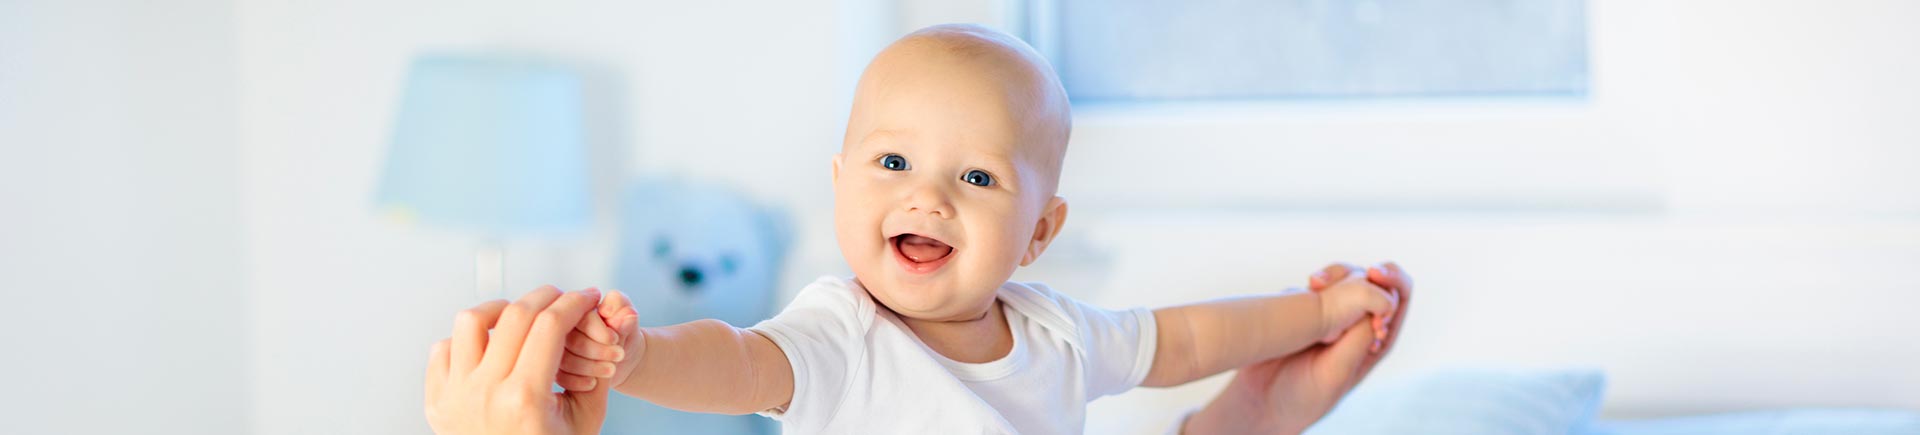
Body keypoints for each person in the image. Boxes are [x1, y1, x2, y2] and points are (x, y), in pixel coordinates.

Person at [425, 24, 1414, 435]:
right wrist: (637, 357)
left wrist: (1314, 310)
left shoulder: (1063, 332)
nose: (926, 196)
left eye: (977, 176)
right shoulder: (843, 333)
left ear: (1037, 232)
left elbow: (1193, 338)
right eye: (892, 164)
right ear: (841, 183)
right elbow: (733, 362)